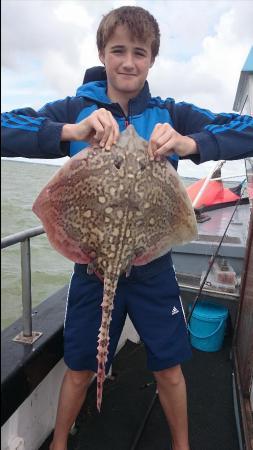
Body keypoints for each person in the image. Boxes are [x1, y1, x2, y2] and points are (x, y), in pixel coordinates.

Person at [1, 6, 253, 450]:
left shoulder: (171, 112)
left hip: (153, 267)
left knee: (169, 368)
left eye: (139, 52)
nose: (128, 61)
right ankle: (59, 443)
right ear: (103, 53)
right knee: (79, 367)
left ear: (152, 59)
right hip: (92, 266)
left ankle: (182, 445)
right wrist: (68, 129)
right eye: (118, 50)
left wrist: (191, 143)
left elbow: (246, 128)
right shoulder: (77, 107)